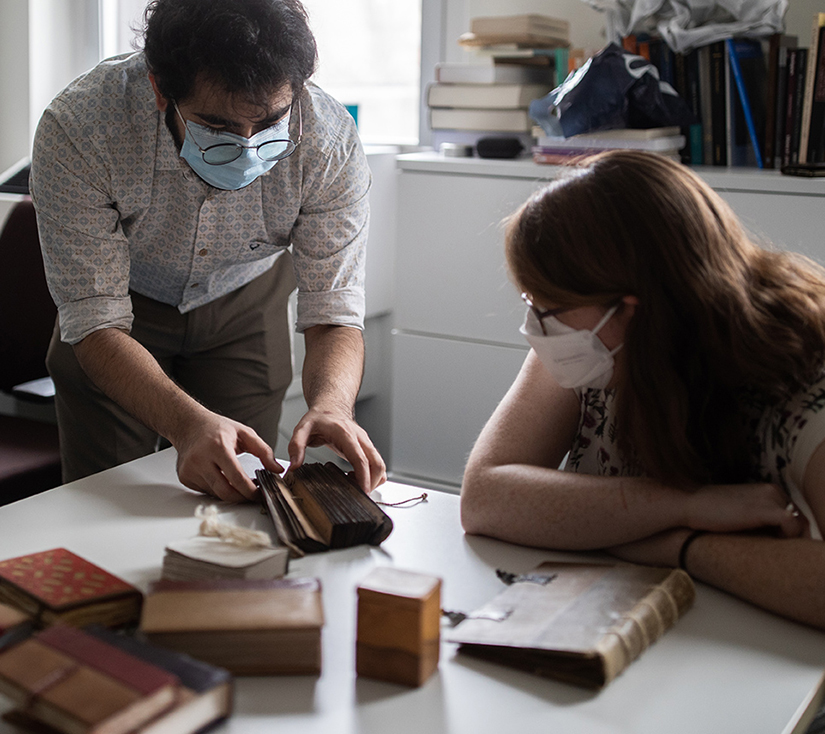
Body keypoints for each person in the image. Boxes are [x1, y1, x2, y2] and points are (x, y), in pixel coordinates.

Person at [30, 0, 386, 501]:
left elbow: (334, 308)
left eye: (269, 124)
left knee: (240, 493)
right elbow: (96, 322)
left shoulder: (327, 141)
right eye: (216, 128)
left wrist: (332, 406)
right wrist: (185, 424)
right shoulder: (81, 127)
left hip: (246, 299)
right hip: (120, 311)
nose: (246, 147)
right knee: (111, 502)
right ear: (160, 89)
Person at [460, 150, 825, 631]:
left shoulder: (802, 370)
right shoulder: (589, 349)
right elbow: (486, 497)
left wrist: (676, 545)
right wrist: (685, 505)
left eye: (548, 307)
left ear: (633, 307)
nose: (536, 326)